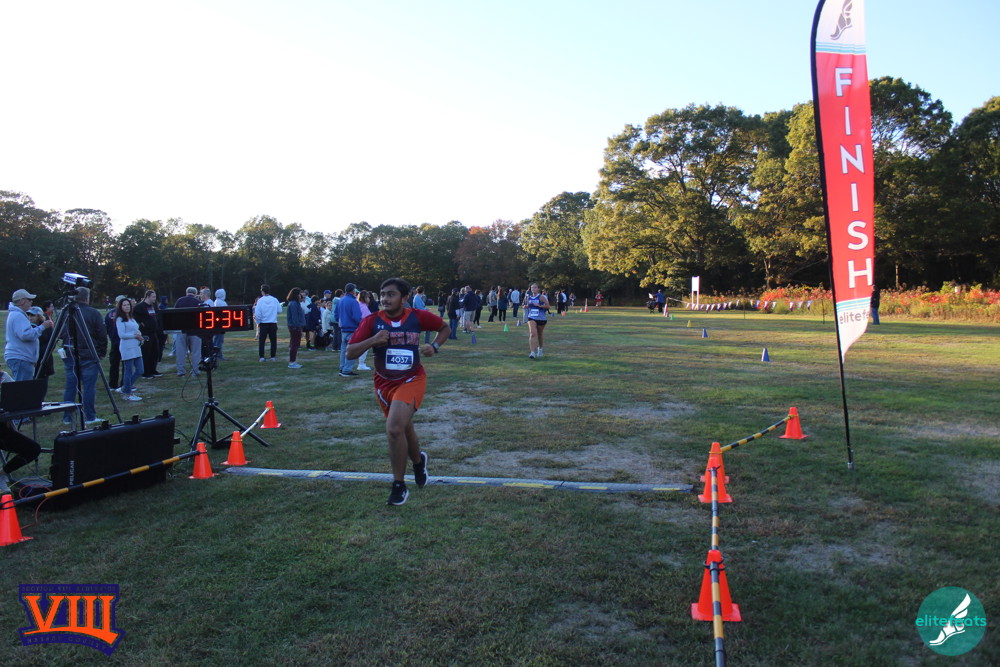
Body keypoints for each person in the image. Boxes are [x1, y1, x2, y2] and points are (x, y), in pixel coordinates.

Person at [346, 277, 450, 506]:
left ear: (404, 298)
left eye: (391, 294)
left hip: (412, 378)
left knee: (394, 428)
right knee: (404, 427)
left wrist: (434, 346)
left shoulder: (417, 316)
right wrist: (373, 340)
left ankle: (399, 485)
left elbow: (444, 327)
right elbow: (350, 353)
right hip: (384, 384)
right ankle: (418, 463)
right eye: (382, 294)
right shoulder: (372, 321)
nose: (385, 299)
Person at [60, 286, 109, 426]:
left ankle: (68, 417)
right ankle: (89, 416)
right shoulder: (93, 313)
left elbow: (60, 332)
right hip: (88, 354)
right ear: (87, 298)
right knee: (89, 387)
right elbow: (101, 334)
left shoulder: (66, 312)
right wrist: (102, 351)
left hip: (71, 353)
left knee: (71, 386)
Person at [5, 288, 54, 381]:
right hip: (21, 357)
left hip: (20, 357)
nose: (31, 302)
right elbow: (26, 335)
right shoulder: (18, 315)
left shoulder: (15, 314)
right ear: (22, 301)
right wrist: (42, 327)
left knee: (22, 386)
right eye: (29, 299)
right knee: (23, 388)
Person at [115, 298, 145, 401]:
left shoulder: (131, 317)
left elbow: (136, 329)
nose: (127, 307)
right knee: (128, 370)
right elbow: (122, 335)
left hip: (136, 347)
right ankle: (127, 393)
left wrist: (140, 336)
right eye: (124, 305)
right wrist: (135, 335)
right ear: (120, 307)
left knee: (140, 369)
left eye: (128, 305)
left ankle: (125, 387)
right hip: (127, 347)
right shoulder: (120, 319)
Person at [173, 287, 202, 377]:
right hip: (195, 330)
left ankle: (181, 371)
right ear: (195, 294)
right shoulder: (198, 302)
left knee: (180, 351)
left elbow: (174, 314)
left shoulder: (180, 301)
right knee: (196, 352)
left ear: (186, 293)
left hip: (182, 330)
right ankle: (195, 371)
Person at [335, 282, 362, 377]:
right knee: (353, 350)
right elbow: (357, 317)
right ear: (353, 291)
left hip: (343, 329)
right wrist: (361, 325)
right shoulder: (353, 302)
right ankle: (347, 370)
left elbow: (336, 315)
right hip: (352, 329)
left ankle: (342, 368)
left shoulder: (340, 301)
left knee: (343, 350)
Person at [134, 290, 163, 378]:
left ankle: (153, 370)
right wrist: (143, 325)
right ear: (147, 297)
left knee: (155, 352)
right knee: (146, 352)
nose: (155, 298)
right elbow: (136, 319)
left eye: (155, 297)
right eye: (153, 297)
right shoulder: (139, 307)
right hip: (145, 333)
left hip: (154, 332)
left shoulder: (153, 306)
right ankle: (145, 372)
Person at [30, 303, 56, 394]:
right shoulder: (28, 327)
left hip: (44, 359)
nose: (30, 317)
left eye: (33, 315)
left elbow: (52, 342)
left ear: (39, 316)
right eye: (29, 315)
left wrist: (42, 354)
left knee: (42, 385)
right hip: (32, 359)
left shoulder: (47, 327)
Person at [254, 284, 281, 362]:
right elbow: (279, 310)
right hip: (273, 323)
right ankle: (273, 356)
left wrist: (258, 322)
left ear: (262, 291)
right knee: (273, 341)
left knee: (262, 341)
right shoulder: (274, 299)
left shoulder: (260, 300)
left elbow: (258, 313)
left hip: (263, 323)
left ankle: (262, 357)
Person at [525, 283, 550, 359]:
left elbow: (548, 306)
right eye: (532, 287)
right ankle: (532, 352)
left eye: (535, 287)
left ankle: (540, 349)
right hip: (531, 317)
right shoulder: (529, 297)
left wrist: (539, 305)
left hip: (541, 318)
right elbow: (528, 305)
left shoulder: (541, 297)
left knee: (540, 334)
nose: (533, 289)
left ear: (538, 289)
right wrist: (526, 306)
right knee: (532, 333)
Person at [285, 287, 305, 369]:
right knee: (294, 345)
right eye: (300, 294)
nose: (301, 296)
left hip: (295, 326)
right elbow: (295, 317)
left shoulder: (295, 303)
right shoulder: (293, 304)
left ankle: (293, 361)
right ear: (296, 295)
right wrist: (298, 327)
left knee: (295, 344)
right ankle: (292, 362)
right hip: (295, 327)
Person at [355, 291, 374, 371]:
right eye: (368, 297)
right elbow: (368, 318)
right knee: (364, 347)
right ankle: (361, 364)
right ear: (364, 298)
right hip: (363, 329)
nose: (369, 298)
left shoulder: (358, 305)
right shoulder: (364, 307)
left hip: (358, 328)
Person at [212, 288, 228, 359]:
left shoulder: (217, 301)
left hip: (219, 324)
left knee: (217, 339)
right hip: (220, 324)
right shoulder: (220, 302)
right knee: (219, 340)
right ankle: (218, 355)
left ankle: (216, 354)